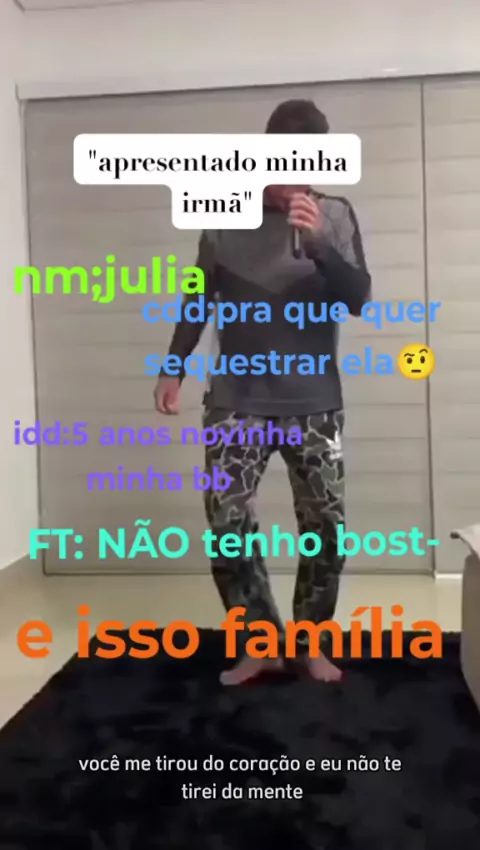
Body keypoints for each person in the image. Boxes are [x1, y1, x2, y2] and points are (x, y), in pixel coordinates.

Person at [154, 99, 371, 685]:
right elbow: (199, 295)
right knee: (227, 528)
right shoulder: (224, 215)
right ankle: (259, 642)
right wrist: (173, 366)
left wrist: (320, 242)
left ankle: (310, 640)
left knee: (326, 530)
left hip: (315, 403)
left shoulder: (336, 215)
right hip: (237, 400)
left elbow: (357, 297)